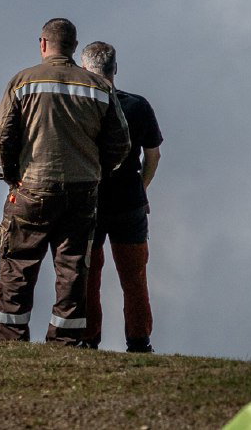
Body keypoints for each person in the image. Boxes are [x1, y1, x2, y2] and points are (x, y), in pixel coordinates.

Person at [0, 18, 130, 345]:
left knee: (18, 265)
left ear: (43, 43)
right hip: (82, 191)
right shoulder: (99, 88)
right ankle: (65, 343)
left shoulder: (22, 82)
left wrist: (11, 175)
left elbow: (0, 139)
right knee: (72, 269)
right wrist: (95, 171)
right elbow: (121, 144)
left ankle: (12, 339)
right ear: (73, 46)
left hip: (31, 188)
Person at [78, 41, 163, 353]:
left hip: (89, 200)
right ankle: (139, 341)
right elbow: (153, 156)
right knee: (134, 275)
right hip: (129, 201)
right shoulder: (137, 105)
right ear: (115, 69)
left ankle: (88, 339)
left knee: (88, 274)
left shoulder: (80, 107)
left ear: (85, 70)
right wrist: (142, 187)